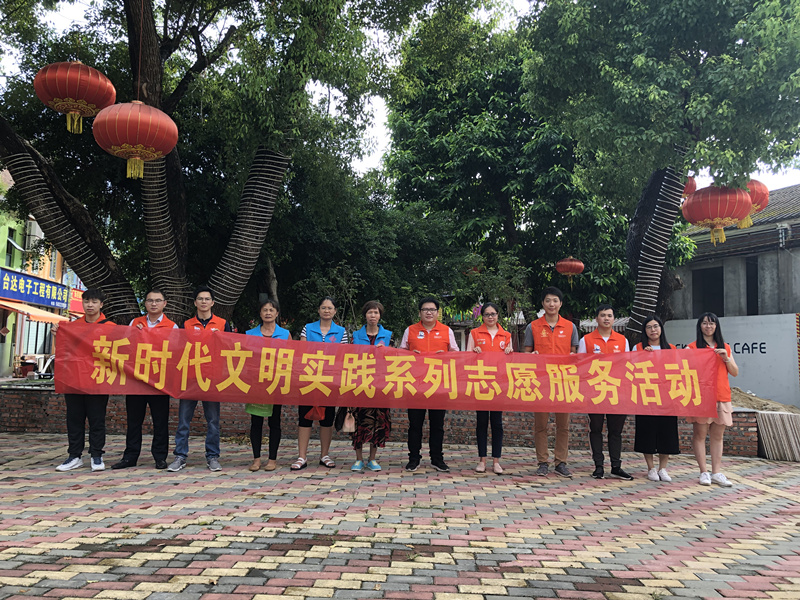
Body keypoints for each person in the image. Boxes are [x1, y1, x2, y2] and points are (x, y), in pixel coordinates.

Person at [112, 289, 178, 471]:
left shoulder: (172, 327)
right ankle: (130, 456)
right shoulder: (135, 323)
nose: (153, 304)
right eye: (150, 300)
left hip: (159, 381)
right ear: (145, 303)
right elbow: (125, 347)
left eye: (157, 300)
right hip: (137, 380)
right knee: (134, 421)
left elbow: (175, 352)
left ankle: (160, 457)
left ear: (165, 303)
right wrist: (135, 334)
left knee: (160, 421)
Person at [168, 285, 232, 472]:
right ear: (195, 302)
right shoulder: (187, 324)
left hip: (212, 378)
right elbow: (178, 348)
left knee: (212, 421)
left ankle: (212, 456)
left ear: (213, 302)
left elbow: (230, 348)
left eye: (207, 299)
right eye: (200, 299)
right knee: (183, 420)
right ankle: (180, 456)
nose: (204, 302)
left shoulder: (222, 324)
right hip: (190, 378)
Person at [52, 288, 114, 472]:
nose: (90, 305)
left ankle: (96, 455)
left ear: (101, 304)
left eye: (94, 302)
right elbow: (64, 352)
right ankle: (74, 456)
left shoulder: (111, 327)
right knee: (74, 419)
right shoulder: (72, 327)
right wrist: (57, 336)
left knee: (97, 420)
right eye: (86, 301)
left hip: (98, 381)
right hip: (74, 380)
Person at [524, 286, 579, 478]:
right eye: (548, 300)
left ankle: (561, 462)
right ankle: (542, 462)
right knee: (541, 425)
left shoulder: (571, 327)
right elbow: (526, 353)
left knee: (563, 426)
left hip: (564, 382)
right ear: (543, 303)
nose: (551, 304)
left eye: (555, 300)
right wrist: (532, 355)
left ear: (560, 304)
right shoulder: (533, 327)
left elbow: (575, 354)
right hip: (541, 382)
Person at [400, 296, 459, 472]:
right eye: (425, 309)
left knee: (437, 424)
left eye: (432, 310)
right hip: (415, 384)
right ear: (420, 312)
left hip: (438, 384)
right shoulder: (410, 330)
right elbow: (400, 353)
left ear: (437, 313)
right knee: (415, 424)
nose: (429, 312)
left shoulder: (446, 331)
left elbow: (457, 354)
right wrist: (410, 355)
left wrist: (445, 355)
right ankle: (413, 458)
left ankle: (437, 458)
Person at [293, 296, 349, 470]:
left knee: (327, 418)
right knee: (304, 417)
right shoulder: (308, 328)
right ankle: (302, 456)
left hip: (329, 380)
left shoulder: (341, 331)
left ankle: (324, 455)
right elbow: (302, 351)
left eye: (330, 308)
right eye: (323, 307)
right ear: (318, 310)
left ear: (335, 311)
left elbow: (342, 356)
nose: (326, 311)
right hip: (309, 378)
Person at [578, 304, 633, 480]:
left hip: (617, 392)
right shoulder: (586, 340)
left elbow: (628, 366)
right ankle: (598, 466)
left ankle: (616, 466)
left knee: (615, 431)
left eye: (609, 315)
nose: (606, 318)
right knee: (596, 429)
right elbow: (580, 366)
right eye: (602, 315)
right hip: (595, 392)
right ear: (596, 318)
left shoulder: (622, 341)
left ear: (614, 319)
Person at [686, 312, 739, 487]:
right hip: (701, 397)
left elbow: (735, 372)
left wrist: (726, 358)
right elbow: (684, 371)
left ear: (716, 326)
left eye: (712, 323)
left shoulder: (725, 348)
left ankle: (716, 472)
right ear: (699, 326)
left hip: (722, 396)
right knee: (700, 434)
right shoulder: (691, 348)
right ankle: (703, 472)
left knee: (717, 436)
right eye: (705, 323)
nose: (708, 326)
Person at [245, 298, 291, 472]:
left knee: (275, 422)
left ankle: (272, 459)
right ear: (260, 313)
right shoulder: (250, 334)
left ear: (277, 313)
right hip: (256, 383)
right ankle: (256, 459)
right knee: (256, 422)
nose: (268, 313)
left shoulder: (285, 334)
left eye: (271, 310)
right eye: (265, 310)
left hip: (276, 383)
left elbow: (290, 358)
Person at [633, 315, 679, 482]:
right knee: (647, 431)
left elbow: (677, 371)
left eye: (656, 326)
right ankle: (651, 468)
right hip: (647, 396)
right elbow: (632, 369)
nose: (653, 330)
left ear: (661, 328)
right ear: (644, 330)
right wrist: (643, 356)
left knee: (667, 432)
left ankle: (663, 468)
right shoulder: (638, 348)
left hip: (667, 397)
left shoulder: (671, 348)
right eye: (649, 327)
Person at [468, 302, 512, 475]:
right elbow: (467, 357)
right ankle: (482, 460)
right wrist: (474, 352)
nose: (490, 317)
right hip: (481, 383)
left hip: (499, 384)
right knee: (481, 422)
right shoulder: (474, 333)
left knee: (497, 423)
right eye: (487, 314)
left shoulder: (506, 335)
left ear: (498, 315)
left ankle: (496, 461)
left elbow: (511, 361)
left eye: (493, 314)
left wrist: (510, 352)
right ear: (482, 317)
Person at [349, 300, 392, 472]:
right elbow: (349, 358)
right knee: (359, 420)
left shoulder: (388, 335)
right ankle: (358, 459)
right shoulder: (355, 336)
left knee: (378, 421)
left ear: (380, 315)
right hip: (359, 384)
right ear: (365, 315)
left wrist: (386, 352)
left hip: (380, 385)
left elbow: (396, 359)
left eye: (376, 312)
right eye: (370, 312)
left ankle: (372, 458)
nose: (373, 316)